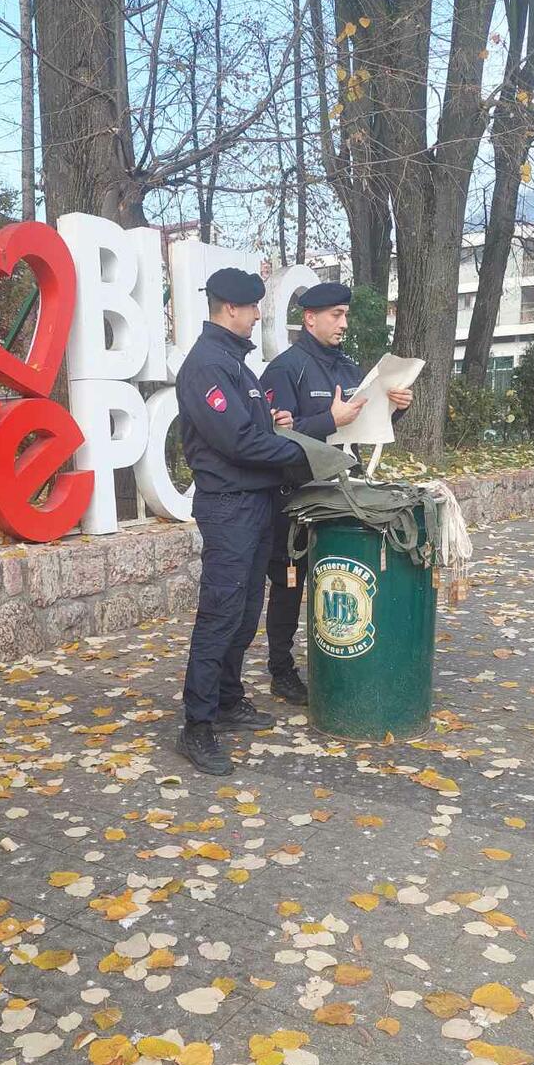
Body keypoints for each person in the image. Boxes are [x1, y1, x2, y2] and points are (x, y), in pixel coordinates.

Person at [175, 268, 306, 775]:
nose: (256, 316)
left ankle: (228, 699)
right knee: (221, 613)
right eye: (253, 308)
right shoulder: (207, 365)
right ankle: (197, 724)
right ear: (231, 308)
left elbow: (249, 429)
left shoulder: (234, 363)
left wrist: (276, 426)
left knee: (246, 610)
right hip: (229, 506)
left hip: (253, 503)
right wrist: (302, 455)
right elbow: (237, 442)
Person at [259, 283, 413, 703]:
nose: (344, 323)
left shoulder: (348, 367)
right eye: (335, 315)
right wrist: (329, 419)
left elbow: (366, 425)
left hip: (342, 492)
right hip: (295, 494)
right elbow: (275, 437)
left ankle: (338, 660)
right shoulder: (286, 369)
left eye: (345, 314)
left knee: (341, 579)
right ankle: (281, 670)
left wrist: (396, 408)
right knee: (289, 585)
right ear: (310, 318)